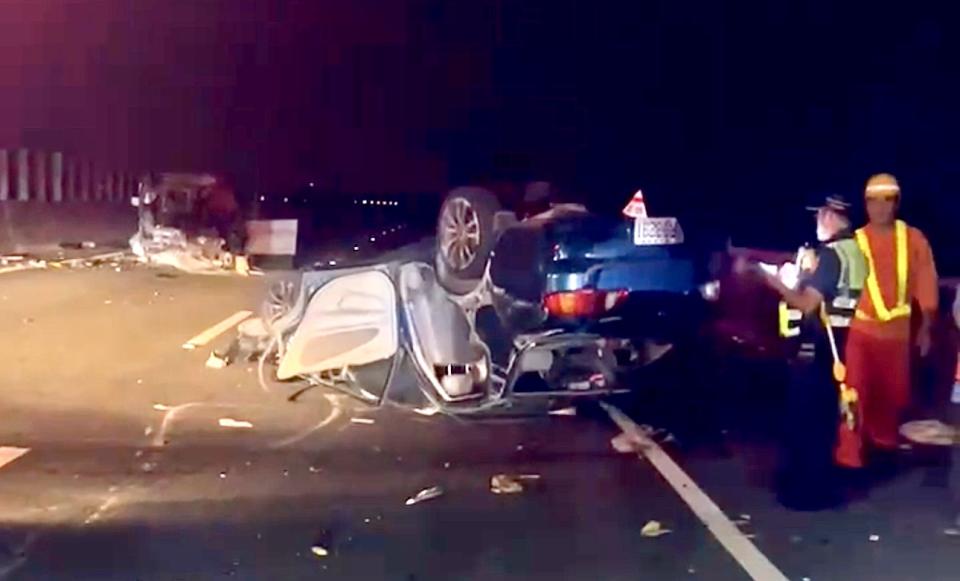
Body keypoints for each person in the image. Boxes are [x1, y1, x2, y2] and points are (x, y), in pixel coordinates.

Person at [740, 194, 866, 509]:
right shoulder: (857, 252)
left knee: (806, 421)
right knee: (824, 421)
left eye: (819, 216)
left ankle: (806, 494)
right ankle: (823, 488)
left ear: (830, 216)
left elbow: (806, 303)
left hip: (823, 346)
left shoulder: (833, 255)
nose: (816, 223)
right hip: (844, 343)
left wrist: (767, 278)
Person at [842, 173, 939, 468]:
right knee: (854, 393)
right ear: (865, 204)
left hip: (897, 335)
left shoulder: (913, 239)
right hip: (861, 331)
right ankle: (848, 455)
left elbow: (926, 282)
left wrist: (926, 327)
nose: (880, 208)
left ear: (897, 203)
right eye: (873, 201)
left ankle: (883, 445)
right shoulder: (854, 241)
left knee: (892, 395)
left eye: (887, 201)